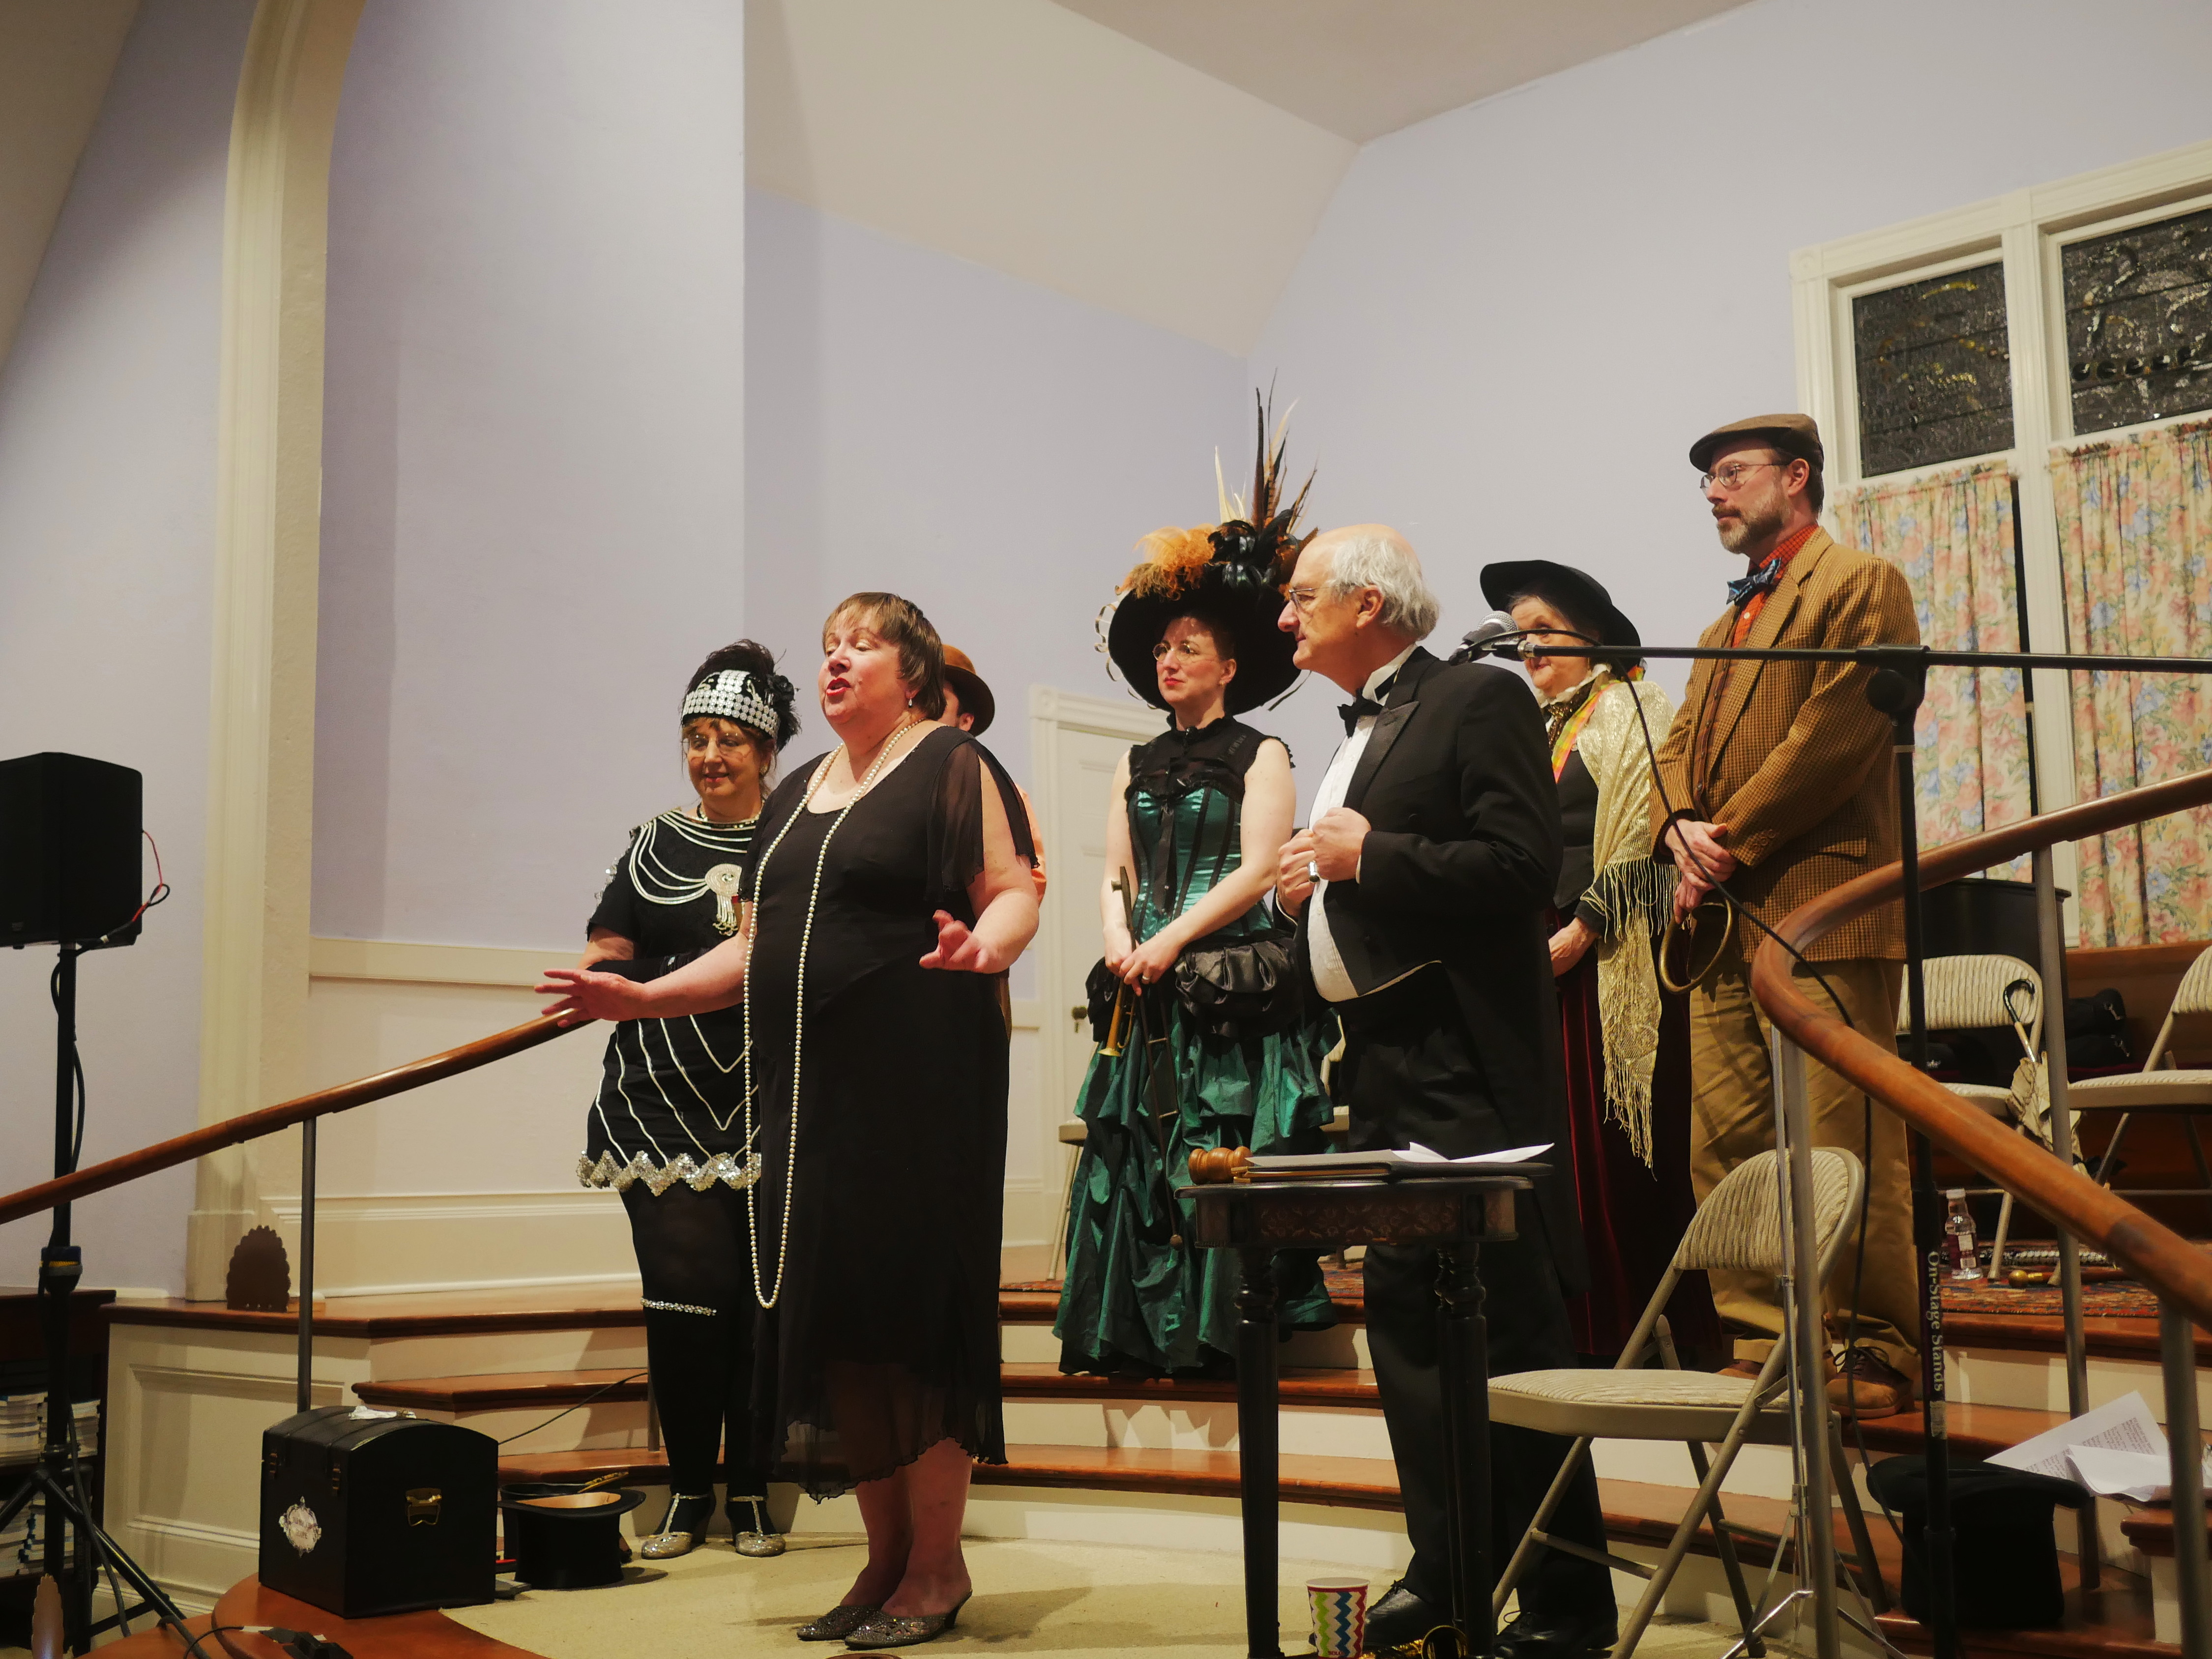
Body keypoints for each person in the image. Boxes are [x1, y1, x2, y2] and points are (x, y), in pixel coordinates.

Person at [542, 594, 1039, 1650]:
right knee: (843, 1330)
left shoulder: (953, 762)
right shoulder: (797, 793)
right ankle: (884, 1556)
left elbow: (1011, 889)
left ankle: (938, 1566)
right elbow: (752, 949)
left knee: (912, 1322)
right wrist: (643, 996)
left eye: (862, 643)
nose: (836, 660)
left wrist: (987, 946)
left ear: (913, 674)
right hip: (806, 1107)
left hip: (918, 1093)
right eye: (827, 646)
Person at [1275, 526, 1614, 1659]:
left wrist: (1367, 858)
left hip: (1465, 1059)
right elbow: (1360, 872)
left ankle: (1568, 1602)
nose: (1285, 616)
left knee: (1507, 1329)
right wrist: (1304, 895)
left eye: (1302, 595)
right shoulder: (1358, 729)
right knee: (1410, 1336)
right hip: (1380, 1059)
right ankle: (1452, 1572)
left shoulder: (1479, 695)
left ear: (1368, 602)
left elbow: (1523, 868)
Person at [1650, 413, 1921, 1418]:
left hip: (1824, 905)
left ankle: (1875, 1345)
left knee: (1844, 1139)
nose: (1713, 493)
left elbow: (1836, 731)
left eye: (1732, 473)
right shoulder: (1720, 627)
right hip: (1724, 914)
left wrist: (1727, 837)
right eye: (1707, 481)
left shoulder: (1860, 581)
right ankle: (1765, 1338)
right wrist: (1677, 824)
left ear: (1797, 475)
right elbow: (1676, 742)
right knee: (1727, 1142)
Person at [1055, 438, 1336, 1377]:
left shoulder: (1264, 753)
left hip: (1226, 982)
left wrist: (1168, 940)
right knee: (1134, 1148)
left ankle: (1221, 1333)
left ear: (1229, 667)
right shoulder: (1137, 760)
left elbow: (1257, 872)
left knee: (1219, 1142)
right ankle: (1140, 1332)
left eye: (1189, 649)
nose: (1169, 661)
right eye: (1163, 649)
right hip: (1147, 982)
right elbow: (1115, 872)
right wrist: (1119, 938)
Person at [576, 640, 800, 1560]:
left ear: (768, 749)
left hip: (767, 1093)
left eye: (730, 740)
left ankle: (749, 1492)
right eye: (696, 739)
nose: (710, 757)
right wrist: (600, 977)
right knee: (680, 1301)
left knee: (756, 1303)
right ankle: (686, 1492)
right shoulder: (652, 843)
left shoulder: (796, 839)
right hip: (658, 1099)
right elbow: (608, 951)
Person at [1480, 561, 1721, 1365]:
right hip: (1526, 949)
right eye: (1519, 636)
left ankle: (1629, 1328)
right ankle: (1556, 1327)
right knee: (1542, 1139)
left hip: (1609, 953)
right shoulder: (1528, 724)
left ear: (1592, 637)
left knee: (1610, 1148)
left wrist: (1584, 928)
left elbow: (1652, 844)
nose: (1529, 648)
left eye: (1543, 631)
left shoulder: (1636, 709)